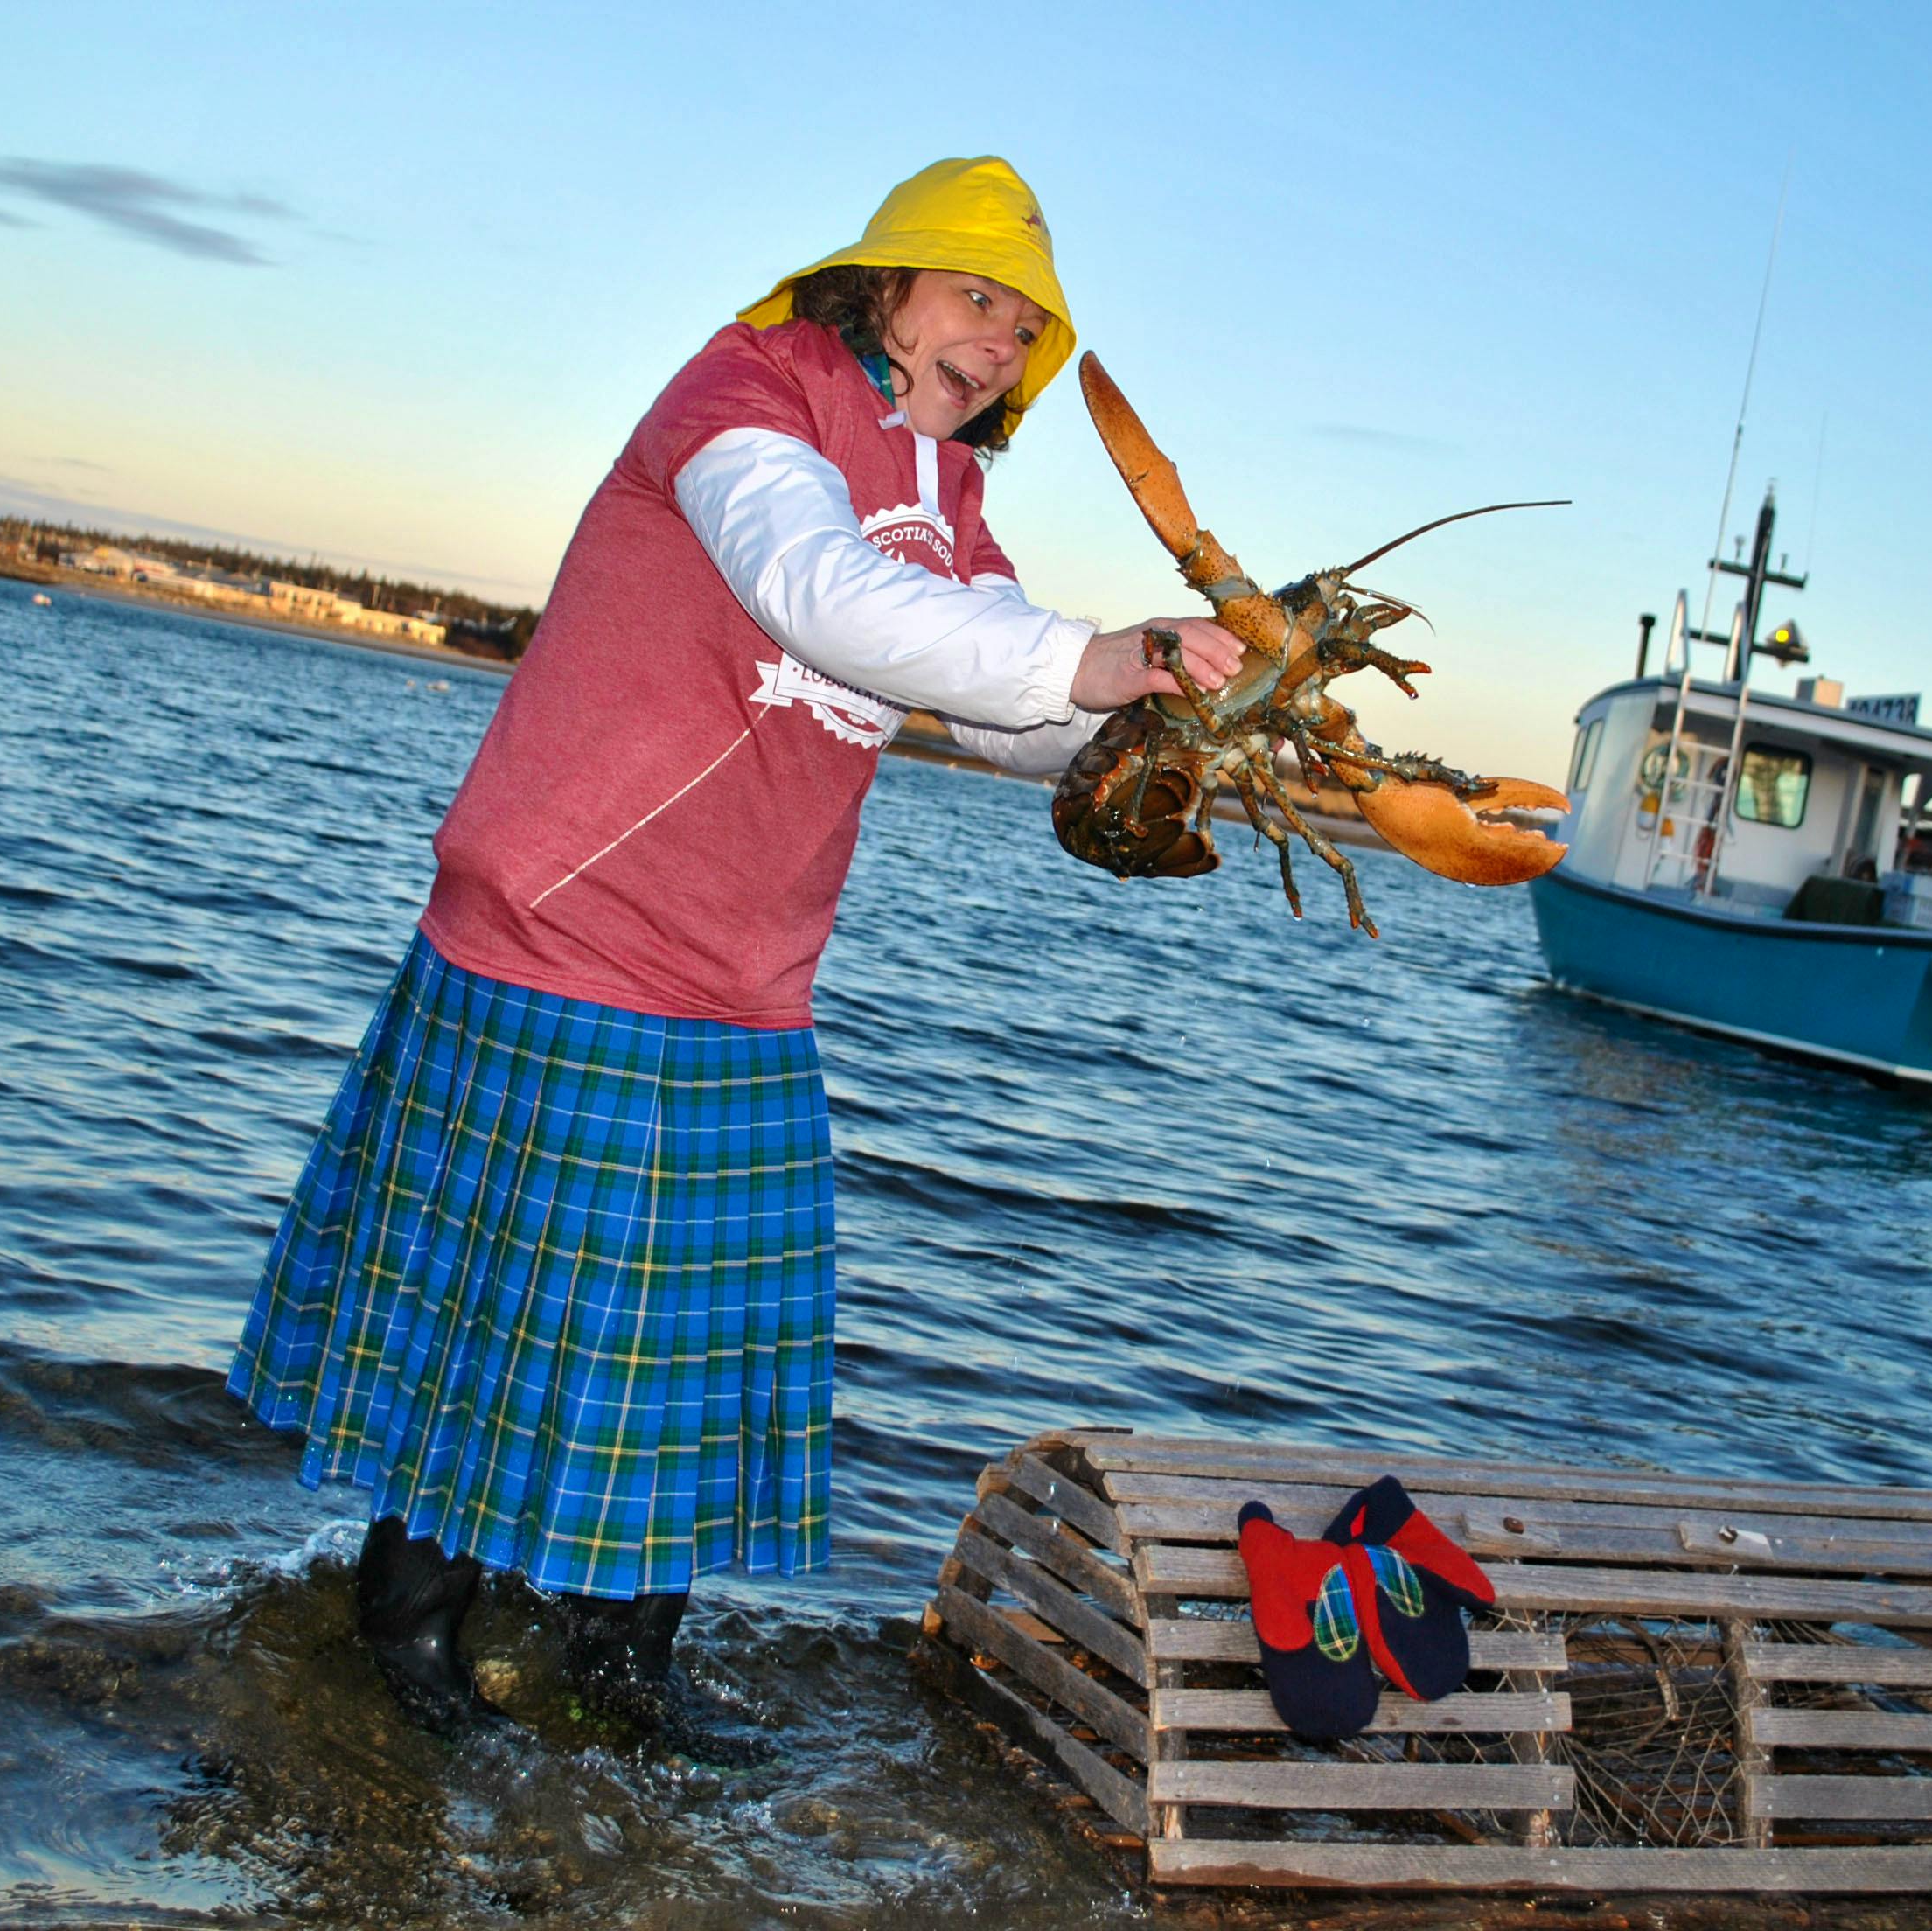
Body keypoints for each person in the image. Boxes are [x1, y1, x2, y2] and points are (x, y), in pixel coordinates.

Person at [227, 157, 1245, 1735]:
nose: (1004, 342)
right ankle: (406, 1626)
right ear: (888, 283)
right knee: (501, 1310)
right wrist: (1097, 652)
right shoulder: (746, 385)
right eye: (981, 296)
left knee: (686, 1358)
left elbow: (1006, 709)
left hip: (745, 969)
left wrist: (1157, 710)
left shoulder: (955, 493)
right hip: (562, 925)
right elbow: (816, 591)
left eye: (1031, 325)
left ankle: (628, 1663)